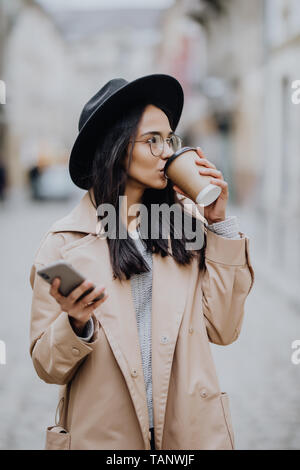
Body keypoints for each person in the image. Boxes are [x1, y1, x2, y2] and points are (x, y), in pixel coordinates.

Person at [29, 74, 255, 450]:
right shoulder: (64, 244)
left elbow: (225, 329)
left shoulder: (187, 230)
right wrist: (76, 322)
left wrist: (218, 225)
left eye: (170, 140)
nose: (167, 152)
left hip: (190, 436)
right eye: (153, 141)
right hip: (104, 440)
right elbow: (48, 367)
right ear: (116, 147)